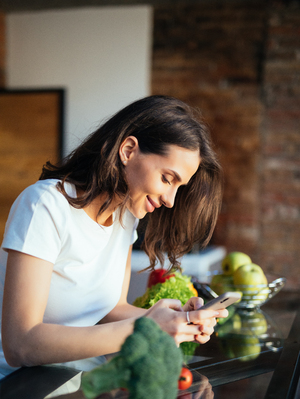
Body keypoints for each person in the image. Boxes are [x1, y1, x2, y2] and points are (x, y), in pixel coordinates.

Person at [0, 95, 227, 378]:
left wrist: (176, 320)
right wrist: (146, 327)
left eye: (178, 187)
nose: (170, 199)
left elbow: (109, 311)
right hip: (17, 392)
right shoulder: (44, 205)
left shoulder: (125, 218)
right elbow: (19, 344)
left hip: (78, 385)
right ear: (128, 150)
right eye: (167, 179)